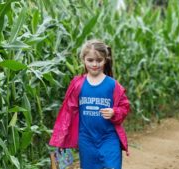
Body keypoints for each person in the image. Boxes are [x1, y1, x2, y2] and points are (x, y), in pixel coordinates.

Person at [49, 39, 130, 169]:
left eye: (99, 60)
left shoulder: (113, 85)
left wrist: (115, 112)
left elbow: (124, 106)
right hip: (86, 139)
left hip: (109, 138)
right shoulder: (77, 84)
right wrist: (61, 138)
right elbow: (68, 112)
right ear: (83, 60)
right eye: (90, 60)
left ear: (105, 59)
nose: (95, 64)